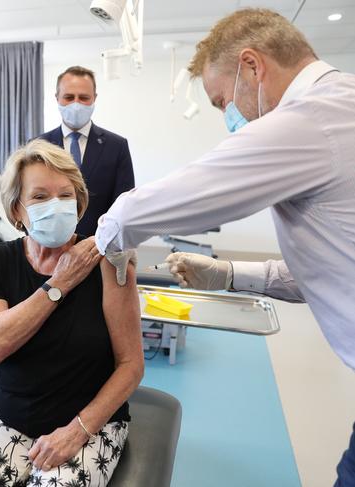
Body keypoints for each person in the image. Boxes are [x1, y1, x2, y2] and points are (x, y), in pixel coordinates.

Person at [94, 8, 355, 486]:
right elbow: (332, 268)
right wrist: (230, 274)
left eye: (221, 103)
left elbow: (188, 194)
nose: (228, 118)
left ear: (252, 67)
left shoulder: (314, 116)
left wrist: (102, 241)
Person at [0, 139, 143, 487]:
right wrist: (61, 281)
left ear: (80, 202)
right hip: (9, 417)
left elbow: (131, 365)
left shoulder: (107, 262)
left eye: (65, 195)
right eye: (40, 197)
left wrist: (76, 431)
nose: (55, 205)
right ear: (16, 211)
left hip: (88, 423)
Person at [39, 66, 134, 237]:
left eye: (83, 98)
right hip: (48, 244)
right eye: (69, 97)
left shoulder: (117, 146)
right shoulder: (39, 146)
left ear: (94, 98)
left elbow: (124, 205)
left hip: (99, 246)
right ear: (57, 98)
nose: (76, 104)